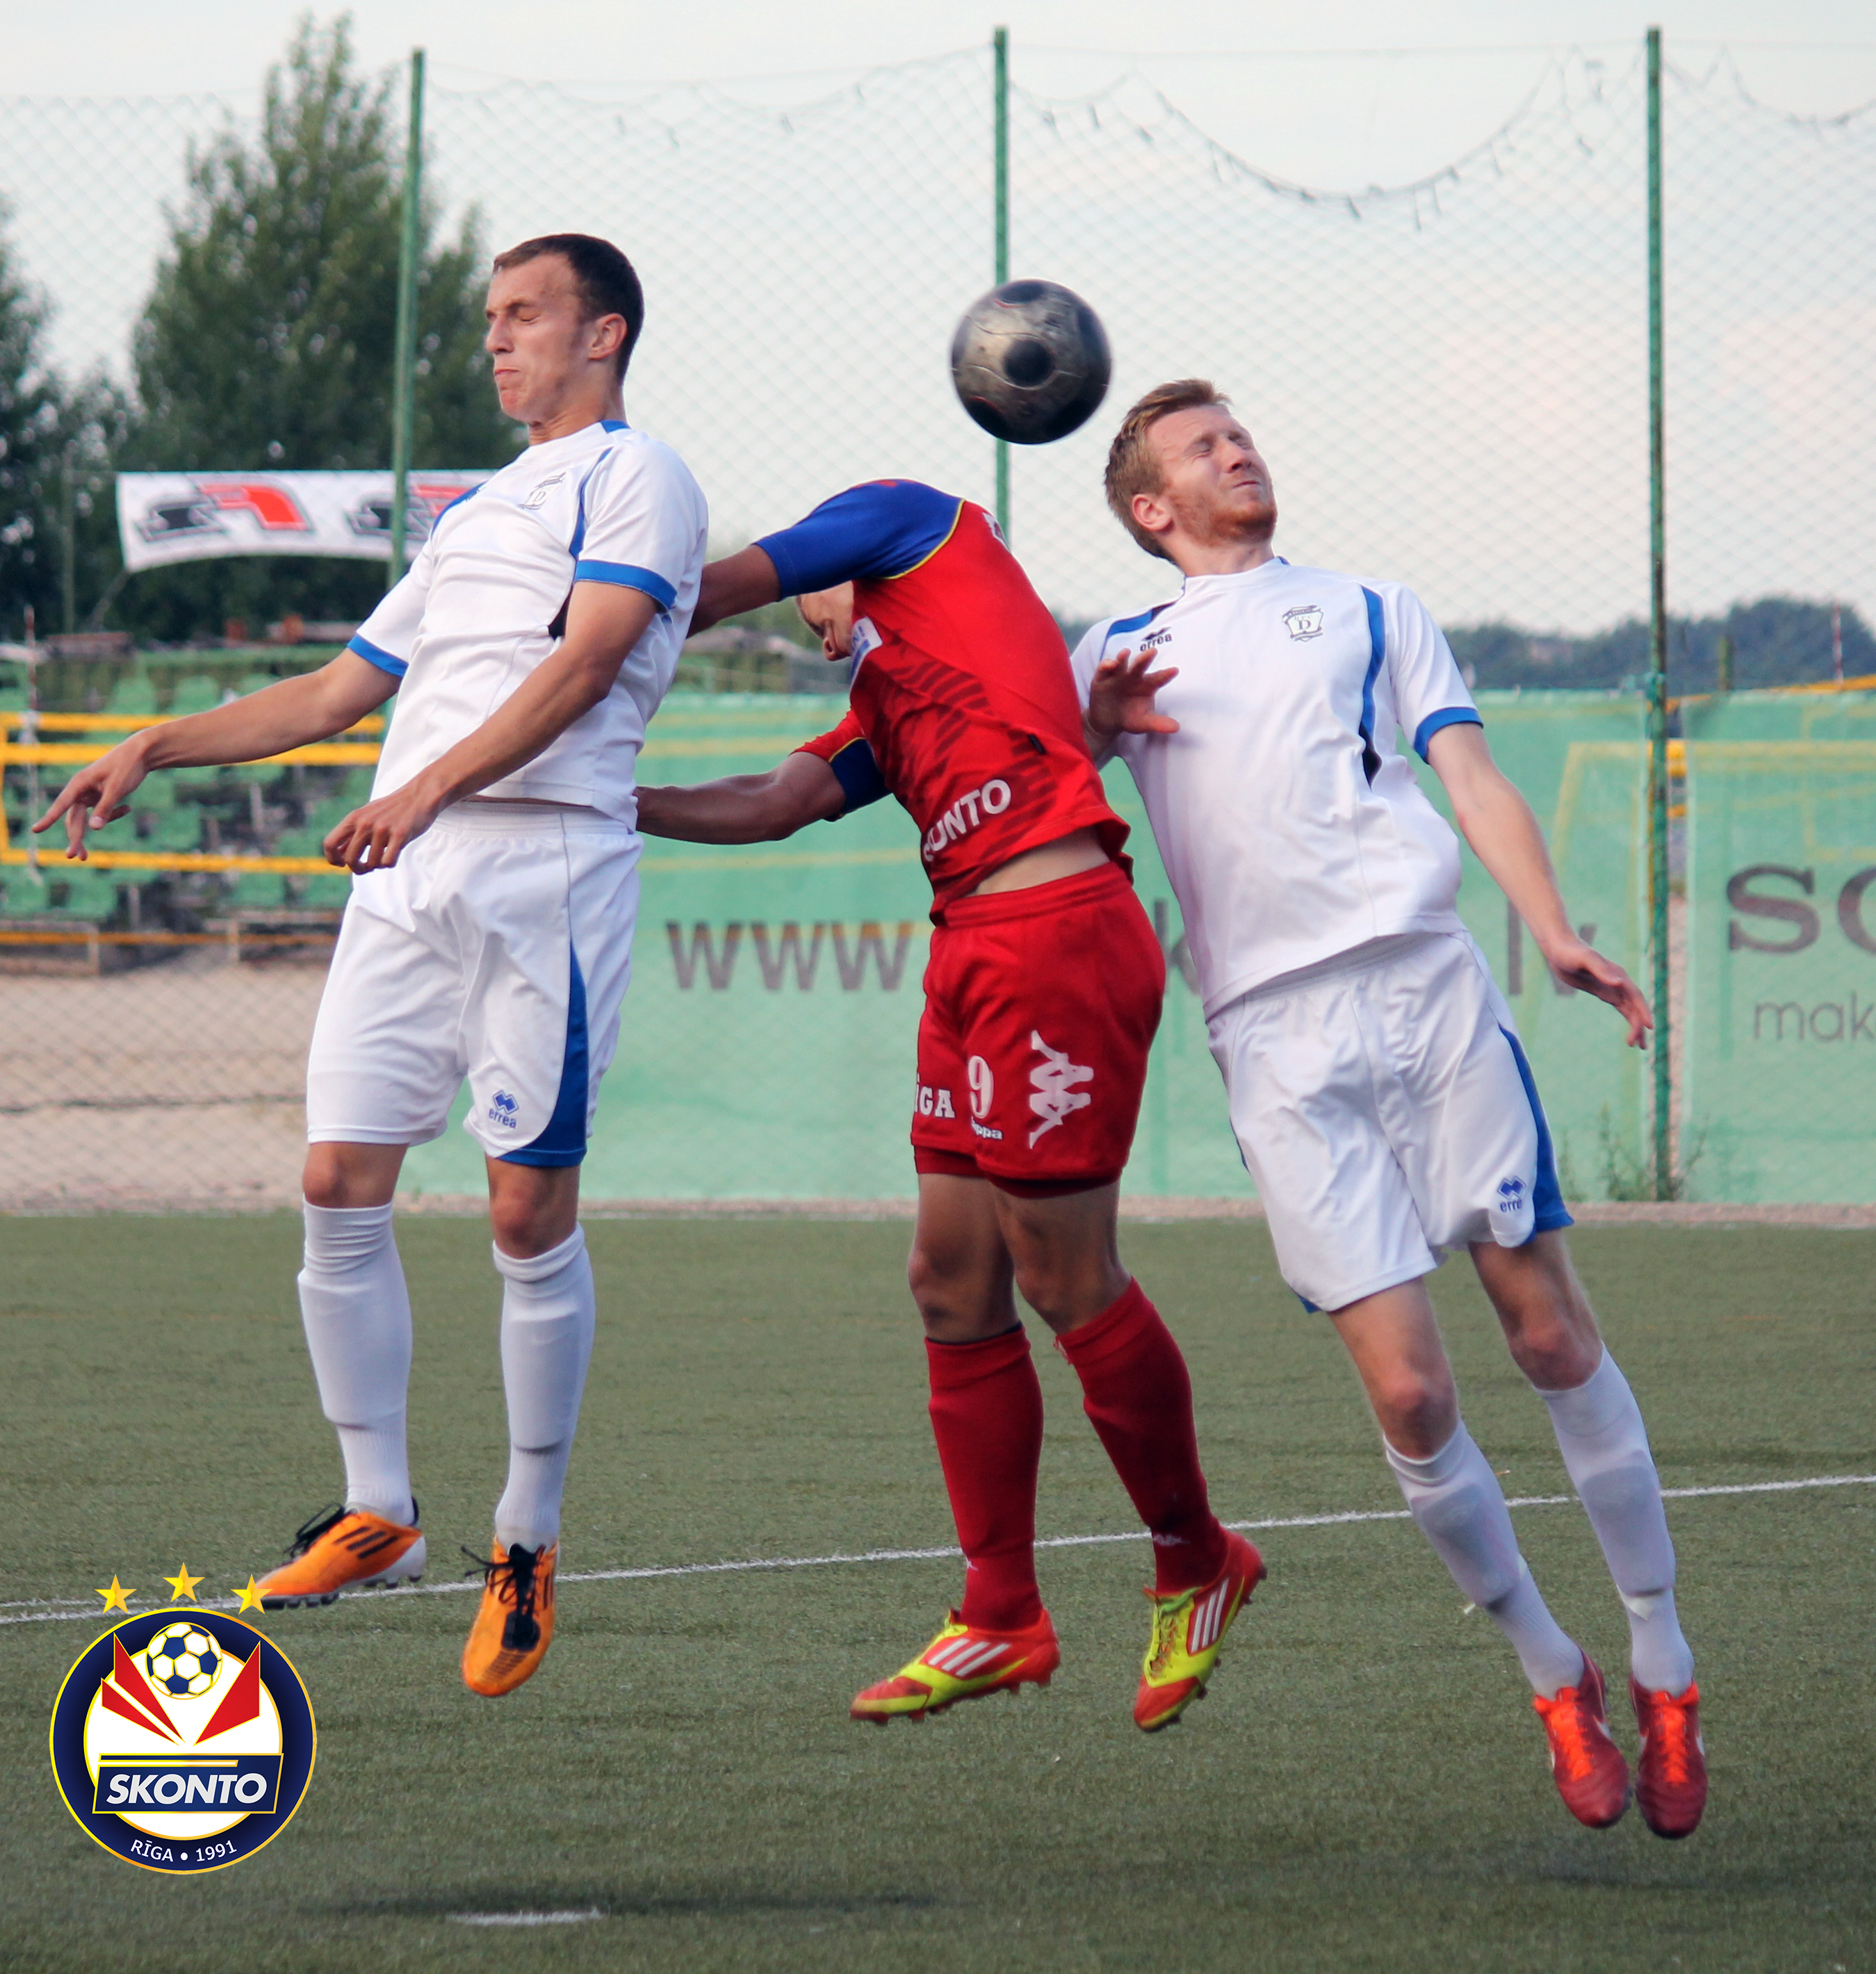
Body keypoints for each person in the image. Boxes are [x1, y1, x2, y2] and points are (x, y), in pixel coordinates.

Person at [36, 234, 706, 1699]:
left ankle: (524, 1537)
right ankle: (379, 1514)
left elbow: (586, 664)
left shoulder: (637, 476)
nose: (496, 340)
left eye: (523, 315)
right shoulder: (473, 516)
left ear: (603, 333)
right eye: (489, 318)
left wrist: (426, 789)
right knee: (338, 1180)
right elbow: (341, 688)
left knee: (526, 1211)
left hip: (545, 871)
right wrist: (154, 742)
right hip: (410, 881)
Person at [1070, 379, 1706, 1837]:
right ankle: (1551, 1673)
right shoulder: (1113, 653)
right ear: (1151, 510)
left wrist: (1550, 928)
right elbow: (1032, 772)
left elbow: (1468, 777)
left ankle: (1663, 1659)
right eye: (1200, 446)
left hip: (1427, 987)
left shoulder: (1369, 607)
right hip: (1270, 1036)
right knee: (1412, 1396)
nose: (1237, 449)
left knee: (1546, 1332)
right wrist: (1089, 726)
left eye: (1239, 432)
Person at [635, 479, 1262, 1729]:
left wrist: (580, 642)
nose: (814, 626)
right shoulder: (891, 698)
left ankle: (1198, 1558)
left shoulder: (914, 521)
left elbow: (712, 590)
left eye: (812, 600)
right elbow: (774, 803)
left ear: (833, 565)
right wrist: (609, 802)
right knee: (949, 1278)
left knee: (1065, 1276)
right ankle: (1001, 1613)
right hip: (971, 947)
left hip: (1055, 934)